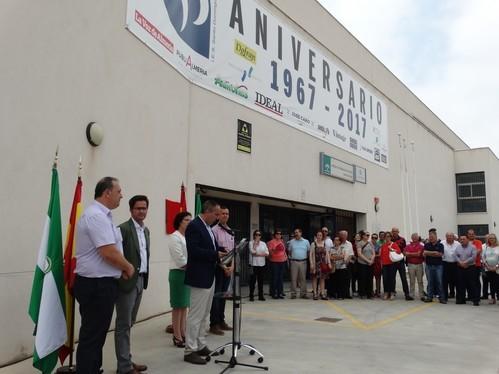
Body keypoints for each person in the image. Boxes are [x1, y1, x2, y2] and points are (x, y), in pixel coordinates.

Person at [74, 177, 135, 374]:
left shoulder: (105, 216)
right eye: (119, 191)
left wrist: (120, 269)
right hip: (95, 285)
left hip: (102, 283)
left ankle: (93, 369)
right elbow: (108, 252)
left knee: (97, 335)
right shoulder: (96, 216)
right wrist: (128, 267)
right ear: (107, 192)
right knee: (92, 336)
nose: (122, 195)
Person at [184, 200, 225, 365]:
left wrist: (220, 257)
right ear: (207, 211)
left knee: (204, 314)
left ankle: (200, 344)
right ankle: (189, 350)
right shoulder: (195, 226)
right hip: (199, 277)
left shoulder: (208, 227)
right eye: (216, 214)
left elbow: (210, 250)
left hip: (209, 275)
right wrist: (216, 254)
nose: (218, 217)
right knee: (195, 316)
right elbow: (194, 251)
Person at [115, 195, 150, 374]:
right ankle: (124, 367)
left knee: (130, 322)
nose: (141, 211)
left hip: (141, 279)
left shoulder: (146, 231)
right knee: (123, 324)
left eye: (144, 208)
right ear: (131, 210)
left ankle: (126, 359)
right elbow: (116, 256)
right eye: (138, 208)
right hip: (127, 282)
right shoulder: (123, 229)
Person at [168, 211, 192, 348]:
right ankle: (176, 335)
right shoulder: (174, 237)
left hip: (187, 273)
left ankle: (183, 332)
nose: (189, 222)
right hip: (178, 273)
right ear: (179, 222)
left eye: (190, 220)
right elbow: (180, 259)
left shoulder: (187, 237)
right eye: (186, 220)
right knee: (177, 306)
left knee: (184, 306)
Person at [209, 206, 234, 335]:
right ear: (218, 215)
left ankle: (222, 320)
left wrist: (232, 266)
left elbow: (233, 251)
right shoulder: (214, 230)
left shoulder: (230, 231)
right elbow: (215, 252)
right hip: (219, 266)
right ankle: (214, 323)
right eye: (223, 213)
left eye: (227, 213)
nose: (225, 215)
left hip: (229, 265)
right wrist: (224, 267)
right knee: (217, 295)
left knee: (224, 294)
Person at [455, 235, 479, 306]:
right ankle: (461, 299)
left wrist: (465, 262)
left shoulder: (473, 247)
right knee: (461, 284)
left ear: (467, 240)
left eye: (464, 239)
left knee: (472, 284)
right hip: (460, 267)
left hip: (470, 267)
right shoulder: (458, 247)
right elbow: (455, 255)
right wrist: (460, 262)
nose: (462, 240)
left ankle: (475, 300)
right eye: (461, 239)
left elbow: (473, 257)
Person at [423, 229, 445, 303]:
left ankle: (441, 298)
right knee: (430, 282)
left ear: (436, 236)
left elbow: (440, 254)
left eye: (432, 236)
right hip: (429, 266)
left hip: (438, 266)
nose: (431, 238)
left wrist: (429, 253)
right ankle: (429, 297)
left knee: (439, 282)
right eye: (430, 237)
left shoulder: (440, 245)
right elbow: (424, 253)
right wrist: (434, 252)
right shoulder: (426, 245)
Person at [288, 228, 310, 299]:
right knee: (293, 278)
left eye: (297, 232)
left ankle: (303, 294)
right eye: (295, 232)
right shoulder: (291, 242)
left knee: (303, 278)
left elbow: (308, 252)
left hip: (303, 262)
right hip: (294, 261)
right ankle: (293, 294)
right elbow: (289, 252)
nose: (296, 234)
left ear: (301, 233)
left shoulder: (306, 241)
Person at [391, 227, 413, 300]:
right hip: (392, 262)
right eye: (393, 231)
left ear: (398, 232)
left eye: (396, 231)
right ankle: (392, 292)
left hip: (400, 261)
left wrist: (401, 255)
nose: (394, 232)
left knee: (403, 278)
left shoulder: (402, 239)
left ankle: (406, 294)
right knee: (392, 278)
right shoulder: (390, 239)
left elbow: (404, 249)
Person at [309, 229, 331, 300]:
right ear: (316, 236)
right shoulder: (313, 244)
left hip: (323, 263)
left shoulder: (324, 243)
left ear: (322, 236)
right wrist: (312, 264)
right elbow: (310, 254)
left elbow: (327, 254)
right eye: (318, 235)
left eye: (320, 235)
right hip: (316, 263)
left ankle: (322, 293)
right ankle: (315, 293)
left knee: (322, 279)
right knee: (315, 278)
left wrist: (329, 263)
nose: (319, 236)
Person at [249, 230, 269, 301]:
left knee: (261, 281)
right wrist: (255, 244)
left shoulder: (263, 243)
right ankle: (251, 295)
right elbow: (253, 252)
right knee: (253, 281)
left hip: (262, 264)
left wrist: (258, 254)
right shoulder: (251, 243)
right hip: (254, 264)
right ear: (254, 235)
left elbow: (267, 253)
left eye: (259, 235)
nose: (258, 236)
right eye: (256, 235)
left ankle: (261, 295)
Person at [404, 233, 424, 301]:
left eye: (416, 237)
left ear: (418, 238)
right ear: (411, 238)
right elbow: (405, 253)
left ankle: (421, 295)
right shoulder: (408, 246)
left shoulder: (421, 246)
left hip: (419, 265)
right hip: (411, 265)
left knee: (420, 281)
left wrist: (410, 254)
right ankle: (411, 295)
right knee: (412, 281)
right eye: (413, 237)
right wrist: (414, 254)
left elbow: (419, 254)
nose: (415, 238)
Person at [267, 231, 287, 299]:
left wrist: (285, 257)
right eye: (277, 234)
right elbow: (270, 253)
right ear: (275, 235)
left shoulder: (282, 241)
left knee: (280, 278)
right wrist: (276, 249)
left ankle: (280, 292)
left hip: (282, 261)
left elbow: (284, 251)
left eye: (280, 234)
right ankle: (274, 293)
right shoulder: (271, 242)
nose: (279, 235)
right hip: (274, 261)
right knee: (275, 277)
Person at [380, 232, 400, 300]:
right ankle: (386, 292)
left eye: (388, 236)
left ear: (390, 237)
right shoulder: (383, 245)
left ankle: (392, 292)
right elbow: (381, 255)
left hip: (392, 264)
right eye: (386, 236)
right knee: (385, 279)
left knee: (392, 278)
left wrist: (392, 249)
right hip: (385, 264)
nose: (387, 238)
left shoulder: (394, 244)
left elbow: (399, 252)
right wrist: (381, 264)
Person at [356, 231, 374, 299]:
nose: (368, 236)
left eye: (369, 235)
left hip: (370, 264)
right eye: (367, 235)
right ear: (363, 236)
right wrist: (368, 260)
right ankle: (362, 293)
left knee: (370, 279)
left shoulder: (370, 243)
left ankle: (369, 293)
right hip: (362, 263)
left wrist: (372, 260)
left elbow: (373, 253)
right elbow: (359, 254)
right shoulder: (359, 243)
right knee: (362, 278)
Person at [482, 233, 499, 304]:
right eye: (490, 238)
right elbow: (483, 258)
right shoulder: (486, 248)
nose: (492, 239)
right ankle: (492, 298)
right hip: (488, 269)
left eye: (493, 238)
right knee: (491, 284)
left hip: (497, 269)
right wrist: (487, 266)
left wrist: (496, 267)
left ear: (495, 239)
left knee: (497, 284)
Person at [467, 229, 484, 299]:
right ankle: (470, 296)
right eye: (470, 234)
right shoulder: (465, 241)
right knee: (468, 281)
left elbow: (479, 251)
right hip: (467, 265)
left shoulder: (478, 242)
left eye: (472, 234)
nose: (471, 235)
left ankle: (477, 296)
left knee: (476, 281)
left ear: (474, 235)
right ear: (467, 235)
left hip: (476, 264)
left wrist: (467, 255)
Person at [442, 232, 459, 300]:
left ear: (453, 237)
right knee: (445, 281)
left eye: (451, 236)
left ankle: (458, 296)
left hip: (455, 264)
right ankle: (444, 296)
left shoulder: (458, 244)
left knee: (456, 281)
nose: (449, 237)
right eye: (448, 236)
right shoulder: (442, 243)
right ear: (446, 237)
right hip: (445, 263)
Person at [339, 230, 354, 298]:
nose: (344, 236)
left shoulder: (349, 244)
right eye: (342, 235)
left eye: (345, 235)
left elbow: (351, 254)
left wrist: (347, 261)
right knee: (341, 279)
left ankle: (347, 294)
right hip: (339, 264)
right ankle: (341, 294)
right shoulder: (338, 243)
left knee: (347, 280)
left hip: (347, 264)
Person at [371, 233, 382, 298]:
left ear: (377, 239)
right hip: (370, 262)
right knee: (370, 278)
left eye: (375, 238)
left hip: (377, 263)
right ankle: (371, 291)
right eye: (373, 237)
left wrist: (372, 256)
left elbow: (380, 254)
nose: (374, 239)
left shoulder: (379, 245)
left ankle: (378, 292)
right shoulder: (369, 244)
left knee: (378, 278)